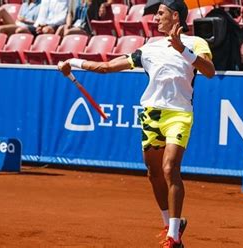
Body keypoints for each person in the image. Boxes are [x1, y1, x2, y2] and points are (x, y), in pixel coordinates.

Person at [58, 0, 215, 246]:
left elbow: (209, 71)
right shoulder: (149, 48)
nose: (155, 18)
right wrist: (74, 62)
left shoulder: (196, 43)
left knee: (169, 168)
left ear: (175, 16)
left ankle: (173, 237)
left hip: (179, 114)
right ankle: (170, 224)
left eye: (160, 13)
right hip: (151, 114)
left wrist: (181, 49)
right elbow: (106, 67)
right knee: (154, 174)